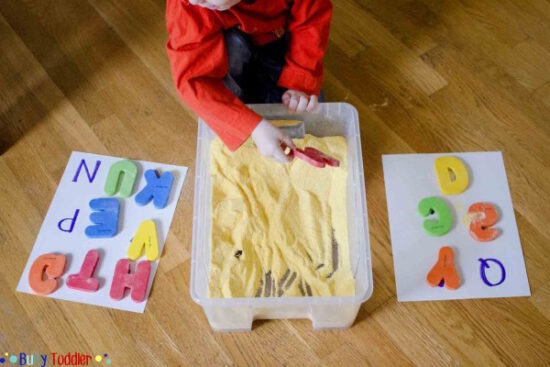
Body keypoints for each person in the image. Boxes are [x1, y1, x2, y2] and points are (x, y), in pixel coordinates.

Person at [166, 0, 332, 162]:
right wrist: (251, 126)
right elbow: (194, 79)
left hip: (280, 38)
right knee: (227, 115)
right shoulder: (187, 4)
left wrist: (300, 80)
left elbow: (311, 21)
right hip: (223, 51)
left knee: (308, 113)